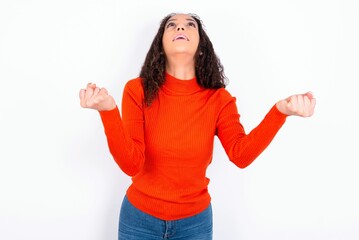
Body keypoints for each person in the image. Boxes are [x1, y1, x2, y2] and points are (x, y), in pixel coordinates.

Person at [79, 12, 316, 240]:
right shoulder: (137, 90)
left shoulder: (219, 99)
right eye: (171, 25)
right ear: (159, 45)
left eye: (190, 24)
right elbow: (131, 164)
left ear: (202, 46)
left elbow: (241, 155)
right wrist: (107, 110)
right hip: (139, 220)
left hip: (195, 223)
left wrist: (280, 112)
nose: (180, 27)